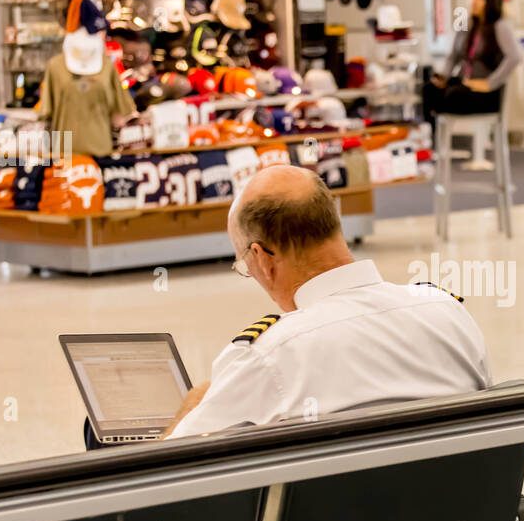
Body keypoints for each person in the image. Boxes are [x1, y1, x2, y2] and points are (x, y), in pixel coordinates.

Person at [163, 165, 492, 438]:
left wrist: (193, 403)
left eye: (244, 266)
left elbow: (163, 470)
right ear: (334, 226)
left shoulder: (267, 356)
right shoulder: (448, 314)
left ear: (261, 259)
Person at [423, 0, 523, 137]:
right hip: (465, 82)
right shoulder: (465, 23)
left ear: (490, 0)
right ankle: (432, 139)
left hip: (484, 92)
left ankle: (437, 138)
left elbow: (515, 57)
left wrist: (491, 83)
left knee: (452, 95)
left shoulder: (500, 26)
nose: (473, 1)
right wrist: (444, 76)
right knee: (429, 89)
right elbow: (454, 55)